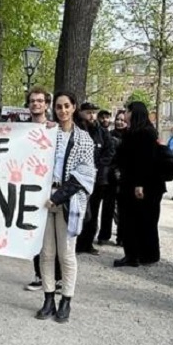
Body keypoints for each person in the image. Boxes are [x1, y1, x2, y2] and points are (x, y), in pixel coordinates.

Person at [36, 91, 95, 323]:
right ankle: (48, 297)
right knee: (46, 253)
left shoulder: (84, 139)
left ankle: (66, 300)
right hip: (43, 198)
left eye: (66, 106)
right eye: (59, 107)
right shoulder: (48, 133)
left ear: (74, 107)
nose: (62, 111)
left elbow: (84, 174)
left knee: (66, 254)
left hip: (68, 200)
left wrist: (59, 196)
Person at [113, 102, 166, 267]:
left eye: (127, 111)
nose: (125, 115)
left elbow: (144, 161)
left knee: (134, 220)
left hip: (140, 184)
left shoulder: (142, 133)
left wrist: (139, 184)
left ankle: (135, 255)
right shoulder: (142, 131)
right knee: (143, 220)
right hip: (141, 183)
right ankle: (145, 254)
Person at [23, 88, 62, 291]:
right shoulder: (21, 130)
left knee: (53, 235)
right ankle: (39, 275)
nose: (36, 104)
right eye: (32, 101)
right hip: (30, 189)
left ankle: (58, 278)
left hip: (50, 189)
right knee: (34, 233)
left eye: (40, 101)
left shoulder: (54, 129)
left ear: (46, 105)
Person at [76, 102, 115, 256]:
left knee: (93, 211)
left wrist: (98, 166)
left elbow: (110, 151)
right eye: (88, 112)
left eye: (93, 113)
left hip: (97, 179)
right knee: (78, 210)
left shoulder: (102, 132)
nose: (91, 116)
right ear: (81, 113)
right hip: (78, 177)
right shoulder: (76, 129)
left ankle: (87, 243)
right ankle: (76, 242)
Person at [99, 109, 127, 246]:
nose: (119, 122)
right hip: (110, 175)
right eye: (118, 119)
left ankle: (122, 237)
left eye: (123, 120)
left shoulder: (131, 137)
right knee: (107, 207)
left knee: (123, 208)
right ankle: (104, 235)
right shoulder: (109, 135)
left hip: (125, 176)